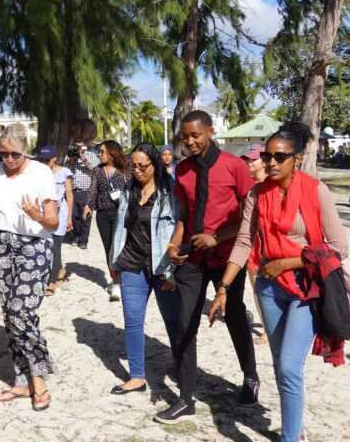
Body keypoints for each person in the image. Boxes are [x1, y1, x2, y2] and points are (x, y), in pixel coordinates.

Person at [208, 122, 350, 442]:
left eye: (279, 156)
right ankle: (295, 428)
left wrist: (288, 262)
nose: (271, 162)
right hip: (269, 287)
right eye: (267, 156)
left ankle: (290, 438)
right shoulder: (256, 194)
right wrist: (223, 288)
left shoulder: (317, 191)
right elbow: (244, 241)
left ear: (296, 159)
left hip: (305, 286)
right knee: (280, 362)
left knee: (288, 366)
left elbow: (339, 248)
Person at [155, 110, 259, 425]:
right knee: (185, 323)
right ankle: (186, 399)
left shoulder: (234, 167)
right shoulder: (183, 170)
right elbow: (183, 217)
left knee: (235, 316)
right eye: (184, 136)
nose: (189, 141)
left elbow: (250, 218)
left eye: (195, 135)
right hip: (193, 259)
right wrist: (173, 247)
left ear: (211, 132)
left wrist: (217, 237)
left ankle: (250, 377)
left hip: (227, 257)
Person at [0, 123, 60, 411]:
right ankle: (21, 382)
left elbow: (54, 222)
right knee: (9, 315)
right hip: (1, 244)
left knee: (21, 312)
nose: (8, 160)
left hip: (35, 245)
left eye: (14, 154)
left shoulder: (41, 172)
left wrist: (37, 215)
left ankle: (38, 378)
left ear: (25, 150)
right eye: (3, 153)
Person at [108, 143, 179, 396]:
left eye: (142, 166)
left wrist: (172, 272)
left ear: (155, 164)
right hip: (132, 263)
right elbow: (121, 228)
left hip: (162, 267)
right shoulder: (129, 190)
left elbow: (178, 231)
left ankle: (180, 363)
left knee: (173, 320)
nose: (137, 171)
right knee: (132, 322)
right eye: (133, 166)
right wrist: (114, 262)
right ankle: (137, 376)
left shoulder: (170, 191)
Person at [85, 140, 130, 302]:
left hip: (120, 213)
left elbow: (131, 189)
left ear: (112, 152)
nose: (99, 155)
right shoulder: (97, 170)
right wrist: (88, 205)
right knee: (108, 248)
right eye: (99, 151)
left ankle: (120, 281)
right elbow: (92, 190)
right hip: (103, 215)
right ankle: (115, 279)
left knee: (118, 247)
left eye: (102, 151)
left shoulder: (124, 169)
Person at [241, 145, 269, 345]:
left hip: (270, 242)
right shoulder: (248, 186)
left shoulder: (272, 183)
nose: (249, 163)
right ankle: (267, 328)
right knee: (257, 288)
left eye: (253, 159)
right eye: (247, 159)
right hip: (252, 243)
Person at [38, 145, 74, 296]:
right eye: (42, 160)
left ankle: (52, 282)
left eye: (47, 160)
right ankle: (59, 270)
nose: (45, 163)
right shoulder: (39, 173)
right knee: (46, 244)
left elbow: (69, 195)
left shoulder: (64, 172)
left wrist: (70, 218)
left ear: (54, 158)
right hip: (44, 213)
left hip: (61, 213)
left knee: (56, 247)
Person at [67, 139, 100, 249]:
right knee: (74, 216)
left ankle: (83, 240)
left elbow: (95, 169)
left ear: (85, 146)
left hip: (87, 191)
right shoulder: (71, 156)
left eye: (80, 147)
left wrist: (83, 158)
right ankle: (77, 235)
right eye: (76, 146)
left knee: (86, 217)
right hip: (73, 191)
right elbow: (66, 170)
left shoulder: (90, 155)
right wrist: (71, 161)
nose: (79, 149)